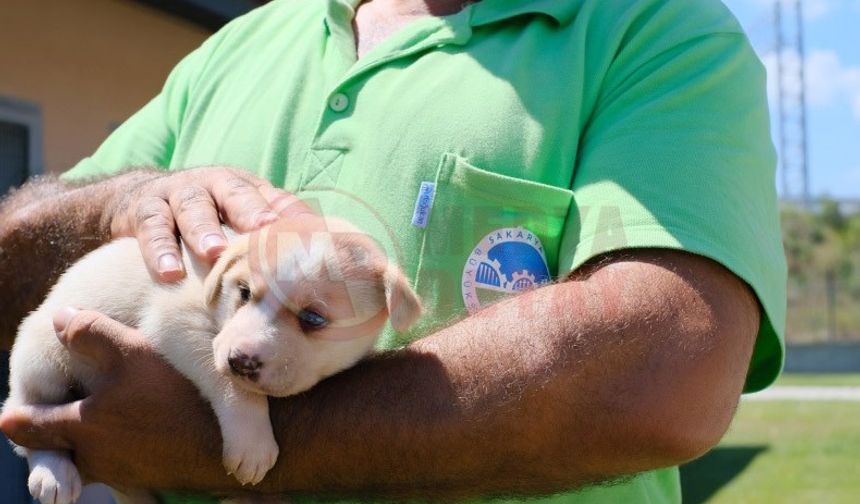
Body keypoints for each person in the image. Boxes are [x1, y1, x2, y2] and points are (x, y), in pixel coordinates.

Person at [0, 0, 786, 502]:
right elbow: (16, 272)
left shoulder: (655, 30)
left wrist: (222, 441)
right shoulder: (240, 46)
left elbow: (666, 372)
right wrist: (118, 200)